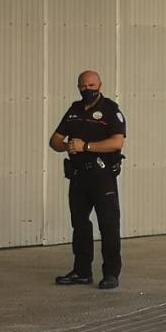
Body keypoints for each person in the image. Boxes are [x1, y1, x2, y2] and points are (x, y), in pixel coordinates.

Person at [49, 70, 127, 290]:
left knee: (108, 225)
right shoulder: (74, 110)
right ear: (78, 87)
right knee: (80, 224)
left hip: (102, 176)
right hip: (78, 175)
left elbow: (117, 142)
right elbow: (54, 140)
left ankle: (111, 273)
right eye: (83, 86)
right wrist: (68, 146)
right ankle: (82, 271)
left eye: (92, 85)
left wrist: (86, 147)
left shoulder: (110, 110)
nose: (88, 90)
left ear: (100, 85)